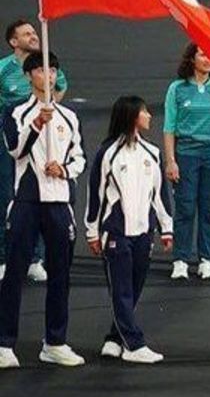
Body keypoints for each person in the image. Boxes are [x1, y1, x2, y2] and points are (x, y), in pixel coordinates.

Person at [0, 51, 85, 368]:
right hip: (26, 202)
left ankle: (55, 342)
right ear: (28, 76)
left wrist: (63, 169)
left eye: (51, 71)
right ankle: (4, 343)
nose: (47, 76)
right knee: (14, 272)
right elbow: (15, 149)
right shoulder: (15, 112)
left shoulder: (69, 117)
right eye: (40, 71)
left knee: (60, 274)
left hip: (59, 203)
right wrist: (37, 123)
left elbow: (80, 158)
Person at [86, 96, 174, 364]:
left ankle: (115, 338)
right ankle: (134, 345)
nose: (149, 116)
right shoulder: (108, 152)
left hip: (143, 231)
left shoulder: (152, 152)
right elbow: (95, 194)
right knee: (121, 289)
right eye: (145, 112)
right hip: (116, 231)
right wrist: (92, 231)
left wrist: (166, 228)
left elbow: (160, 193)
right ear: (132, 116)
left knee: (134, 288)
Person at [0, 19, 69, 283]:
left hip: (43, 133)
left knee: (42, 192)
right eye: (27, 34)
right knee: (8, 195)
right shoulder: (4, 69)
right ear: (13, 41)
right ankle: (5, 258)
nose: (34, 36)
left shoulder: (47, 63)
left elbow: (60, 88)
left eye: (33, 32)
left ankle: (35, 259)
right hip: (11, 133)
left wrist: (47, 108)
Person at [163, 43, 210, 281]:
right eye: (203, 54)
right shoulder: (177, 88)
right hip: (186, 155)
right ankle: (180, 260)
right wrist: (171, 161)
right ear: (192, 59)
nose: (207, 59)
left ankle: (206, 260)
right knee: (185, 208)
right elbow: (169, 127)